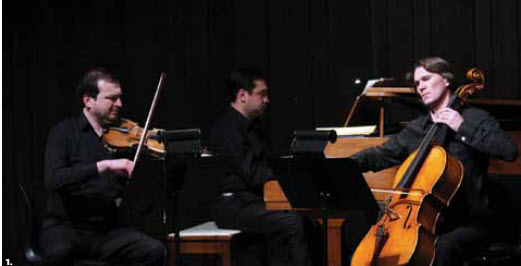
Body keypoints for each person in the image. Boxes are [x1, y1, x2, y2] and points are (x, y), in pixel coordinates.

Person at [349, 57, 518, 265]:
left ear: (446, 80)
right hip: (424, 223)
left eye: (426, 79)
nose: (421, 86)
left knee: (442, 249)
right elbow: (381, 155)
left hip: (469, 223)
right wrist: (346, 164)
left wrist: (461, 127)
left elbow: (508, 151)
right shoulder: (417, 128)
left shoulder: (474, 118)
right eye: (417, 83)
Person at [39, 69, 166, 266]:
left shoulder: (121, 137)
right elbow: (54, 179)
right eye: (112, 98)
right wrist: (104, 165)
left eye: (120, 98)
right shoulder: (64, 133)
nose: (120, 104)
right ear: (88, 100)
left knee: (154, 250)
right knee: (59, 254)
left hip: (105, 231)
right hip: (66, 228)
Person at [210, 68, 315, 266]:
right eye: (262, 94)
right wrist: (287, 172)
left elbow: (266, 165)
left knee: (309, 218)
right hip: (234, 205)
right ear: (242, 95)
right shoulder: (228, 128)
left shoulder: (253, 126)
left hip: (255, 200)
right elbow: (253, 173)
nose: (266, 100)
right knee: (293, 222)